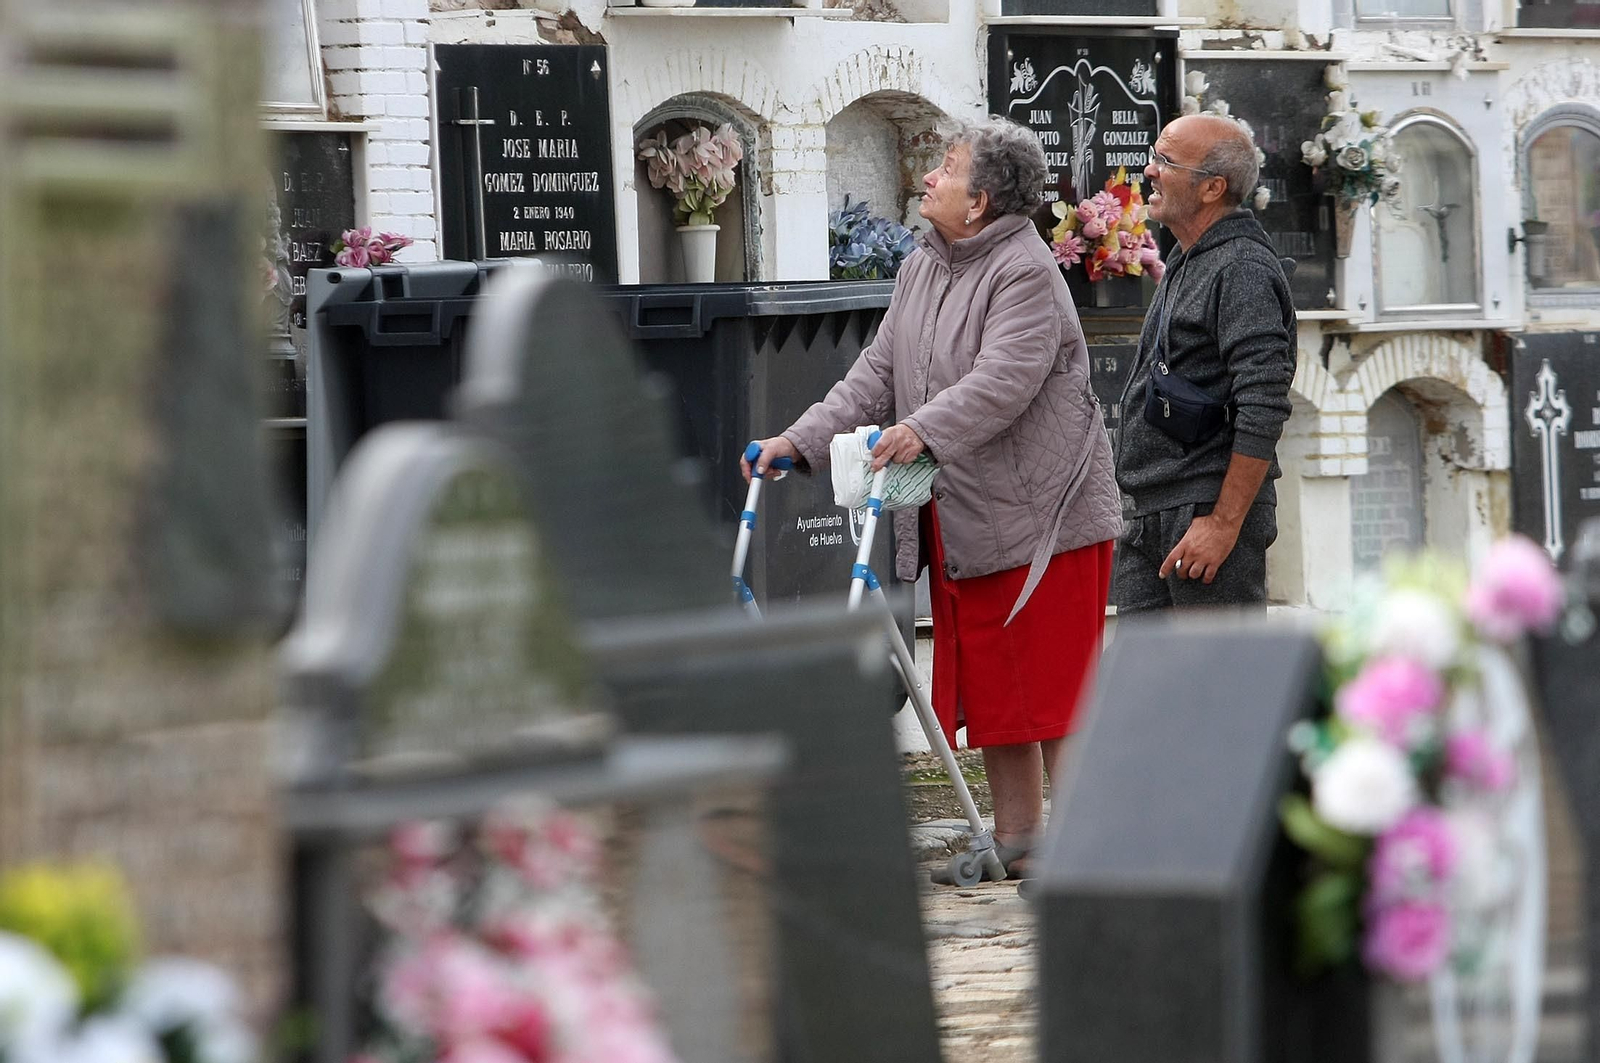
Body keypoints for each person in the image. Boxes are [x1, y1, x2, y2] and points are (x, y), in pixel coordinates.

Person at [743, 117, 1122, 881]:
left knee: (1053, 688)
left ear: (979, 200)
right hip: (967, 511)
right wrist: (798, 440)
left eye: (945, 170)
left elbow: (1004, 379)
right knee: (997, 687)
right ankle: (1019, 843)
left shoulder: (1023, 271)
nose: (928, 179)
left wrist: (920, 428)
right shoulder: (924, 265)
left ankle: (1084, 851)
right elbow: (875, 373)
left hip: (1044, 514)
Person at [1112, 114, 1297, 612]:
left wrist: (1223, 523)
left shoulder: (1240, 269)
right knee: (1137, 686)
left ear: (1212, 187)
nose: (1149, 171)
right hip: (1154, 515)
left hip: (1204, 516)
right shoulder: (1190, 256)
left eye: (1165, 161)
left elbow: (1263, 405)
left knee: (1217, 687)